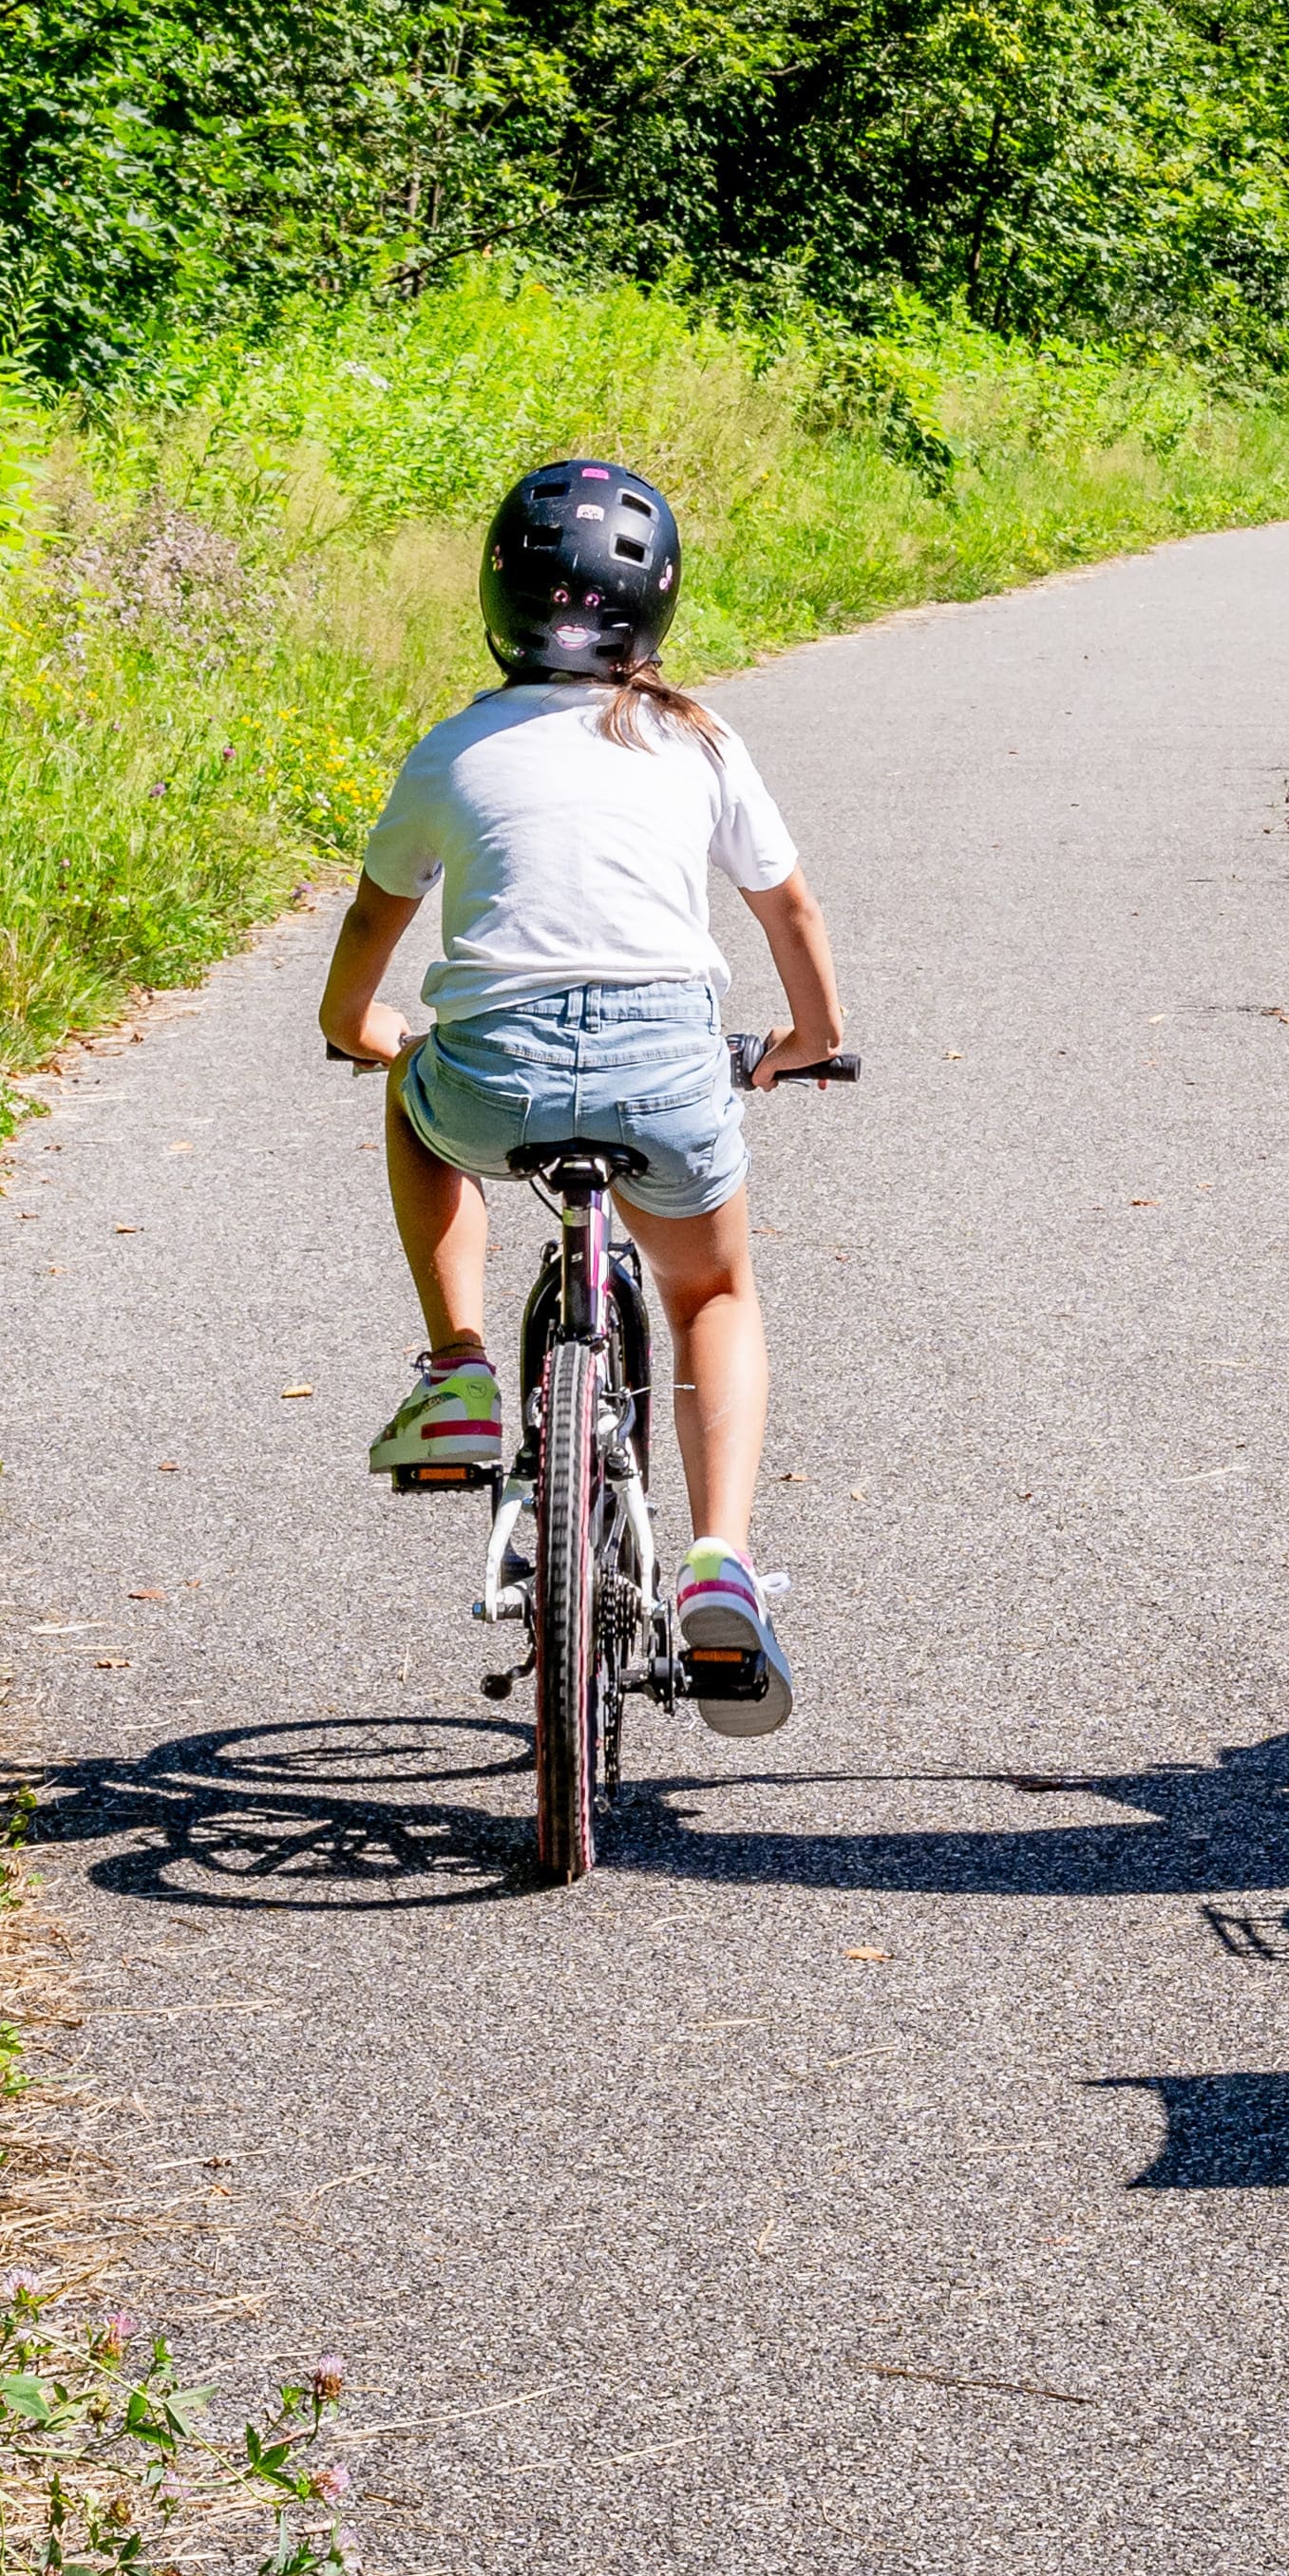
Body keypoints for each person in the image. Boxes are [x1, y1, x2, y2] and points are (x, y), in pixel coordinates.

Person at [321, 453, 855, 1732]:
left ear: (499, 596)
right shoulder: (694, 735)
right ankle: (719, 1557)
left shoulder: (453, 745)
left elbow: (373, 915)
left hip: (494, 1074)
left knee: (411, 1094)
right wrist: (812, 1035)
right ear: (654, 608)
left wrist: (356, 1026)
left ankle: (457, 1367)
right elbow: (785, 902)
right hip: (667, 1064)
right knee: (712, 1285)